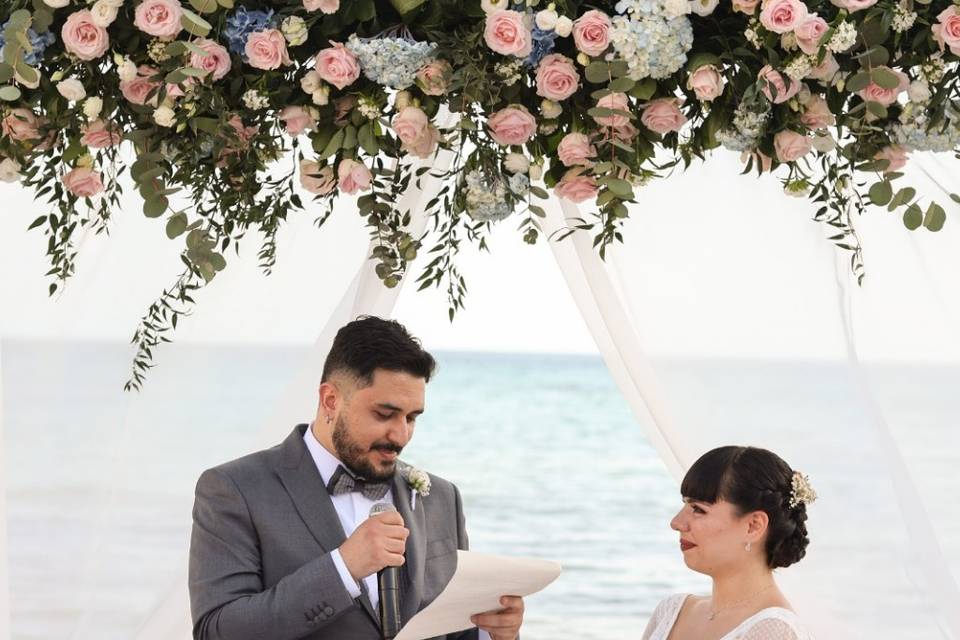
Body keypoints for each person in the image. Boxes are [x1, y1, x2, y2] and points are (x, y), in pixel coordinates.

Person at [188, 316, 525, 640]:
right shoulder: (235, 489)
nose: (401, 435)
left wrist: (494, 631)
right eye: (385, 414)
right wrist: (343, 568)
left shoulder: (442, 498)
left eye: (412, 417)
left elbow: (457, 629)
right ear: (330, 400)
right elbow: (218, 630)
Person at [642, 446, 816, 640]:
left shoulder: (773, 632)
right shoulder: (671, 612)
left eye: (698, 509)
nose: (676, 523)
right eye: (685, 504)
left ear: (753, 526)